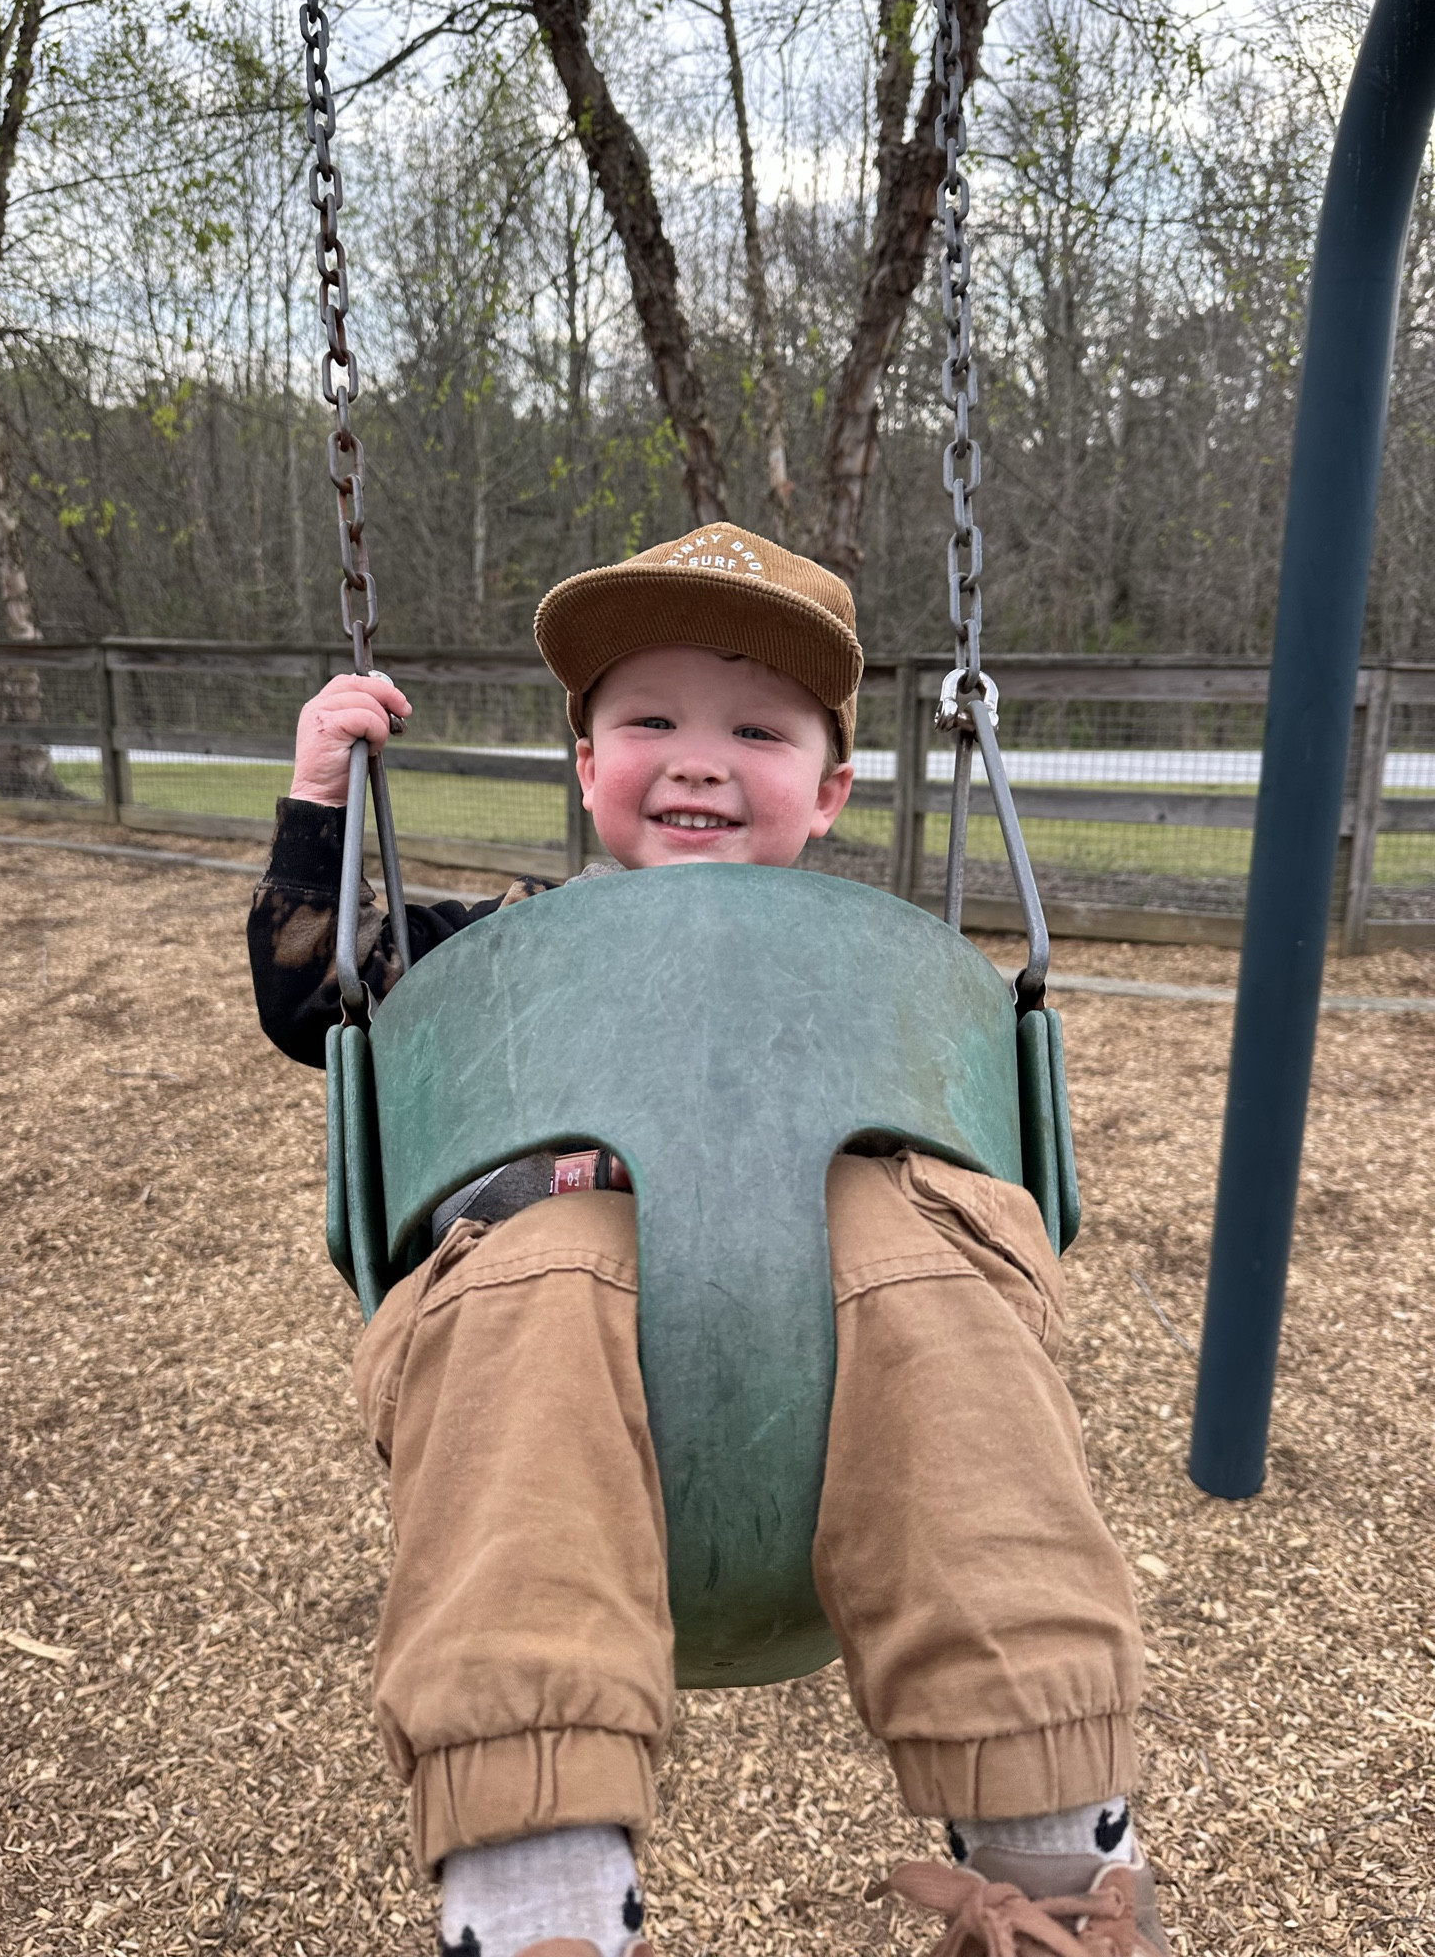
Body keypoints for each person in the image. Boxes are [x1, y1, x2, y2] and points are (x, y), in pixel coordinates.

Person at [247, 523, 1172, 1957]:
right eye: (649, 720)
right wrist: (325, 796)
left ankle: (1056, 1870)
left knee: (935, 1274)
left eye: (755, 728)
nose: (696, 756)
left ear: (832, 790)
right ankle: (541, 1902)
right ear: (585, 766)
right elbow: (316, 998)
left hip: (844, 1384)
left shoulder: (874, 971)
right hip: (568, 1356)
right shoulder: (490, 951)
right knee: (528, 1290)